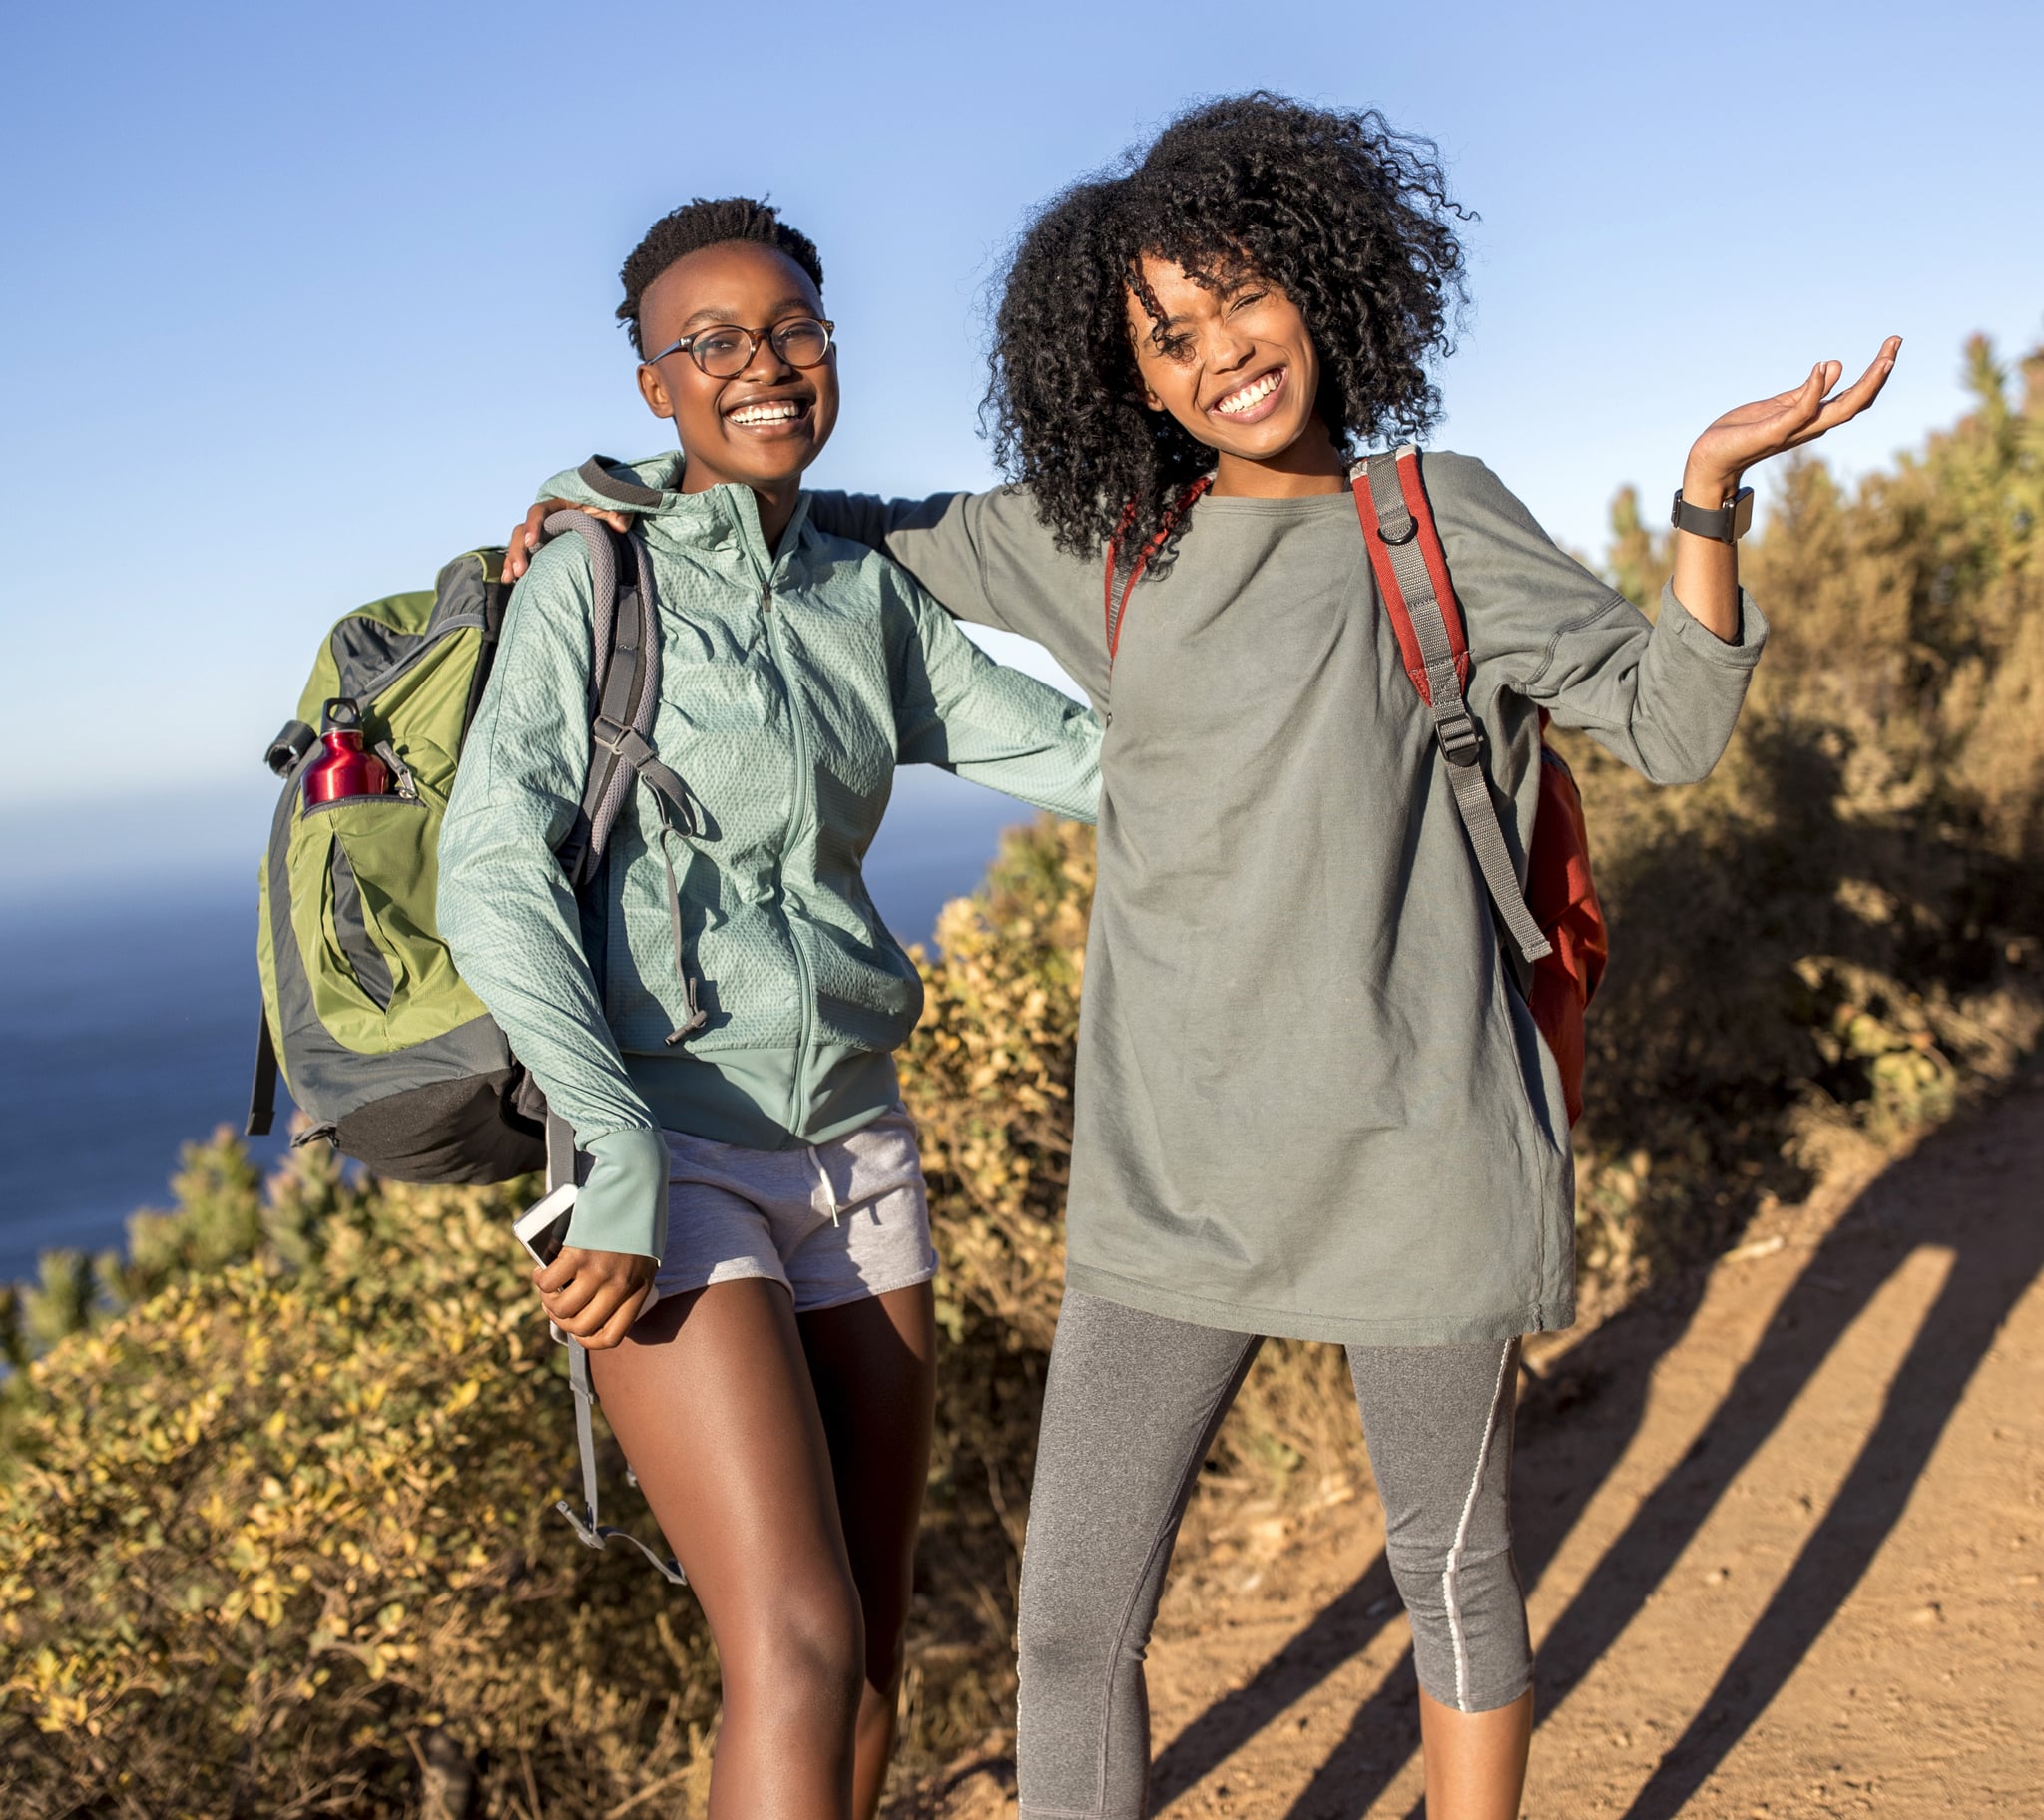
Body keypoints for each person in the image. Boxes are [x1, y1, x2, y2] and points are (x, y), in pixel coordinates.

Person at [509, 97, 1898, 1820]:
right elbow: (816, 506)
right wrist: (605, 498)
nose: (1219, 353)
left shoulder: (1434, 522)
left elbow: (1675, 724)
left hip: (1422, 1162)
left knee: (1449, 1583)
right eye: (1166, 336)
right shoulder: (1110, 543)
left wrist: (1708, 496)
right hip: (1167, 1190)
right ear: (1131, 381)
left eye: (1240, 299)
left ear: (1322, 290)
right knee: (1070, 1630)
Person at [439, 197, 1102, 1820]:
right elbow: (489, 869)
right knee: (793, 1646)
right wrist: (609, 1148)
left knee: (870, 1653)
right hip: (663, 1158)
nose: (764, 364)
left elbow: (1097, 762)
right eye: (711, 342)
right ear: (654, 384)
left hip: (857, 1152)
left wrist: (1389, 737)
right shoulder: (590, 580)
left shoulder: (863, 599)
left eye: (794, 327)